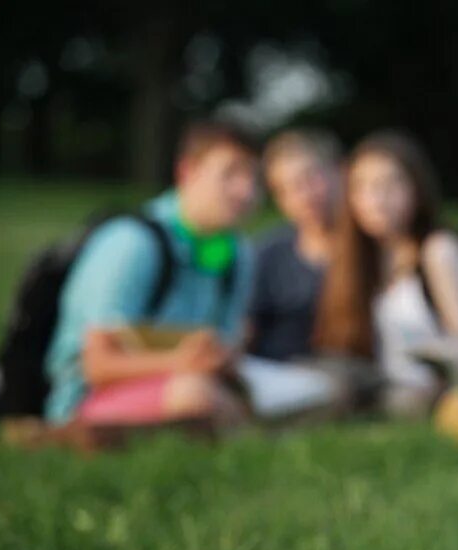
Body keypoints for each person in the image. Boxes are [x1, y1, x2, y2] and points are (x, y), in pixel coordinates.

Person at [43, 119, 258, 430]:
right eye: (231, 173)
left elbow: (228, 340)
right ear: (188, 172)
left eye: (254, 176)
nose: (247, 191)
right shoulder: (132, 243)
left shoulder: (237, 252)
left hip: (187, 382)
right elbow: (96, 366)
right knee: (196, 394)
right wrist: (181, 363)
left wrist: (225, 356)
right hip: (88, 397)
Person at [312, 130, 458, 416]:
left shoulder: (439, 250)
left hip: (433, 390)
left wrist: (428, 356)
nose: (376, 199)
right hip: (377, 385)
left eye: (390, 184)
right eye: (363, 187)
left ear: (416, 188)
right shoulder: (359, 259)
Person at [248, 129, 341, 362]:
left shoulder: (373, 247)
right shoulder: (265, 255)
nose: (305, 195)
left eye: (312, 177)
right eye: (288, 188)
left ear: (340, 171)